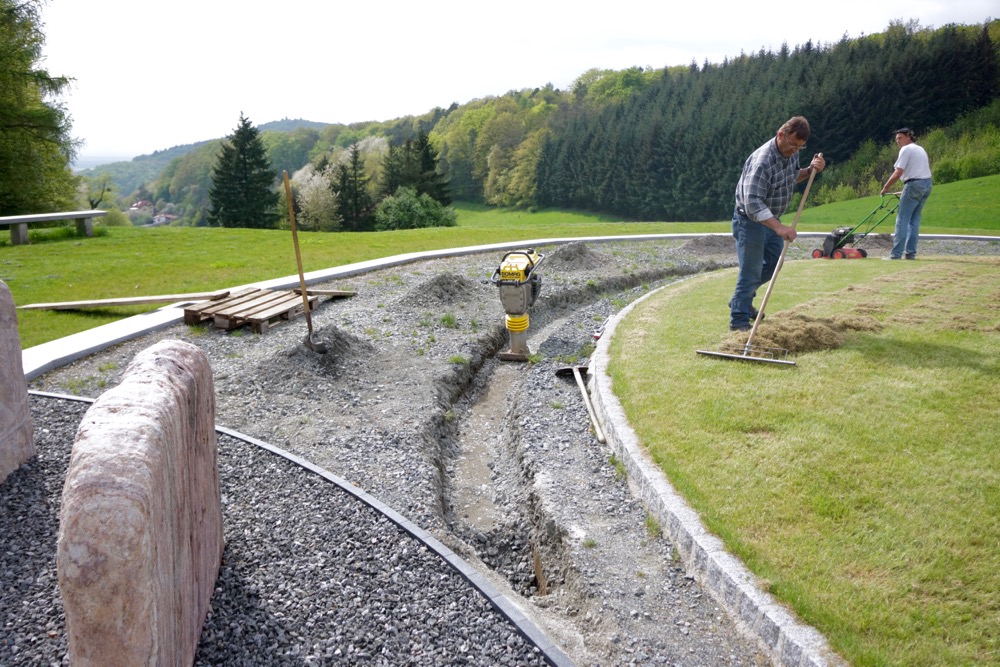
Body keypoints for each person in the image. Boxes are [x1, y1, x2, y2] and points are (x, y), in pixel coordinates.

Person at [729, 116, 825, 331]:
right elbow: (752, 202)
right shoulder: (762, 161)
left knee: (774, 264)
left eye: (800, 147)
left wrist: (810, 171)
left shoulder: (791, 154)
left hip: (771, 219)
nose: (795, 150)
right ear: (780, 134)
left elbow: (792, 176)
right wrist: (780, 228)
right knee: (751, 271)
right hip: (750, 221)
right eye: (792, 144)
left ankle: (740, 300)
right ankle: (739, 321)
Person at [880, 127, 932, 260]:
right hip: (926, 184)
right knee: (914, 220)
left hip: (914, 184)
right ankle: (910, 253)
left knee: (902, 220)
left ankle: (895, 254)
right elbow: (918, 171)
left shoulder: (906, 149)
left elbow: (898, 172)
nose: (897, 141)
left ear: (909, 136)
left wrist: (886, 188)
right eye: (896, 139)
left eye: (900, 138)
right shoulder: (920, 149)